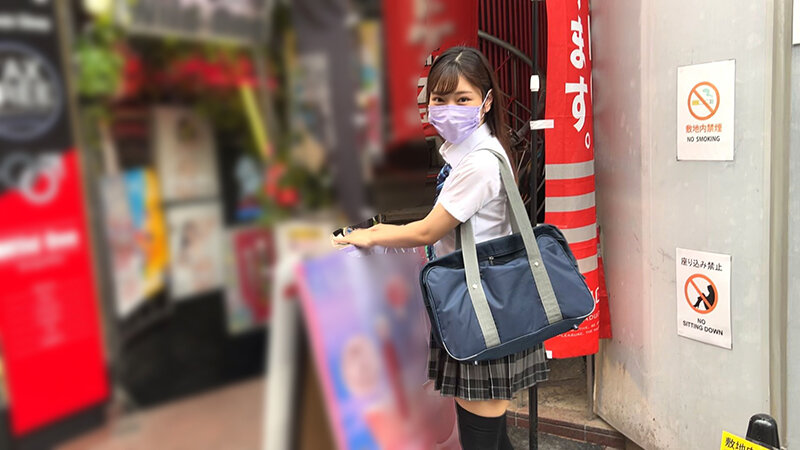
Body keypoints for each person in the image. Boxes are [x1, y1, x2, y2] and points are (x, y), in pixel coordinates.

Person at [334, 46, 547, 450]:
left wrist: (370, 235)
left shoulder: (478, 164)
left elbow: (427, 232)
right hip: (486, 303)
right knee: (493, 436)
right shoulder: (477, 153)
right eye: (440, 99)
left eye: (463, 99)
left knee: (481, 437)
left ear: (486, 102)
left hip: (482, 311)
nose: (450, 109)